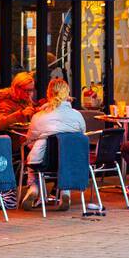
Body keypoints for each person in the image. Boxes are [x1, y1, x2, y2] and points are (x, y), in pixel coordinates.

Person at [20, 79, 87, 210]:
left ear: (48, 94)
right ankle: (65, 192)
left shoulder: (39, 116)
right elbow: (82, 134)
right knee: (64, 155)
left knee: (31, 159)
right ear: (67, 93)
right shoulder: (77, 115)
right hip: (71, 161)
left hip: (45, 161)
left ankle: (33, 188)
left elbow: (29, 140)